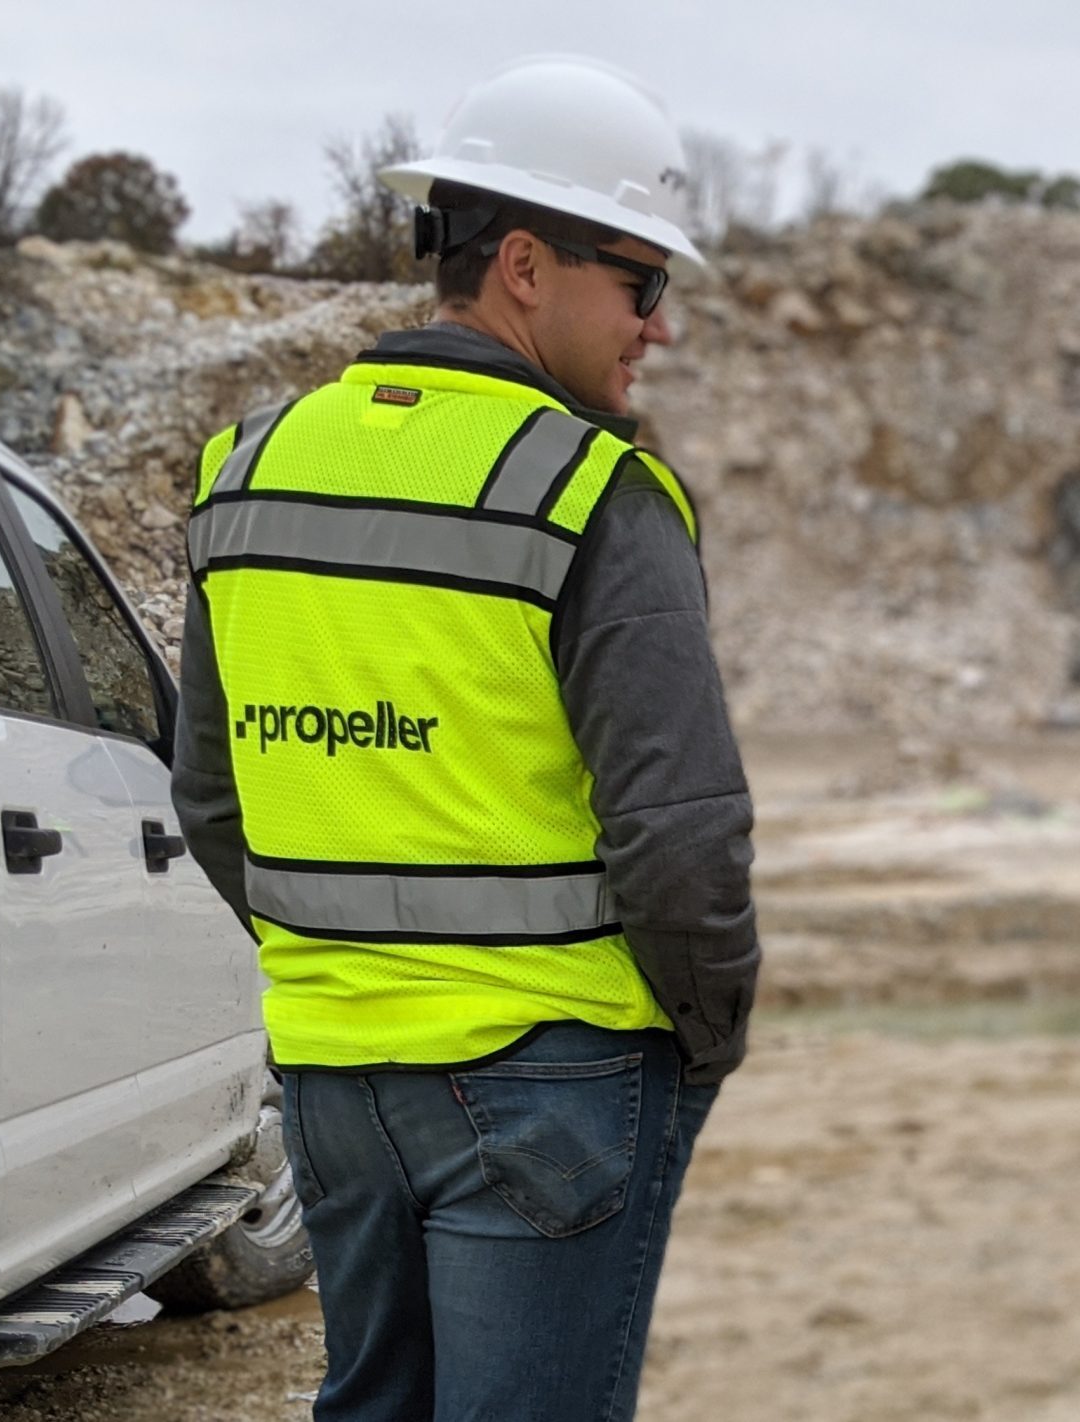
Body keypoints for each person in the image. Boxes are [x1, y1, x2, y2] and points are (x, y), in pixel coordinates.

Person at [169, 55, 757, 1422]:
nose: (657, 326)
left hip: (330, 1074)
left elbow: (212, 794)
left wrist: (341, 964)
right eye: (642, 282)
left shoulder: (242, 472)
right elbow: (681, 834)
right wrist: (706, 1029)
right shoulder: (597, 492)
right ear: (530, 267)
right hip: (559, 1074)